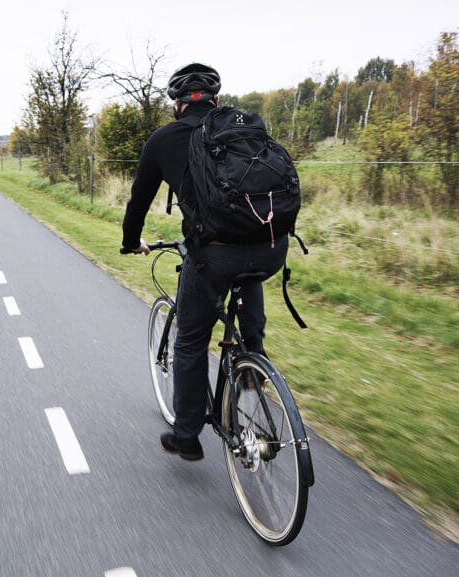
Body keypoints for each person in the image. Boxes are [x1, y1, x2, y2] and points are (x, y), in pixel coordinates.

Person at [121, 63, 289, 461]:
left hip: (212, 254)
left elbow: (138, 202)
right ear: (215, 100)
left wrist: (131, 242)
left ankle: (186, 435)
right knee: (246, 266)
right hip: (270, 248)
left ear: (176, 105)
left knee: (192, 338)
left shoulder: (164, 139)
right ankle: (253, 359)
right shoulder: (241, 130)